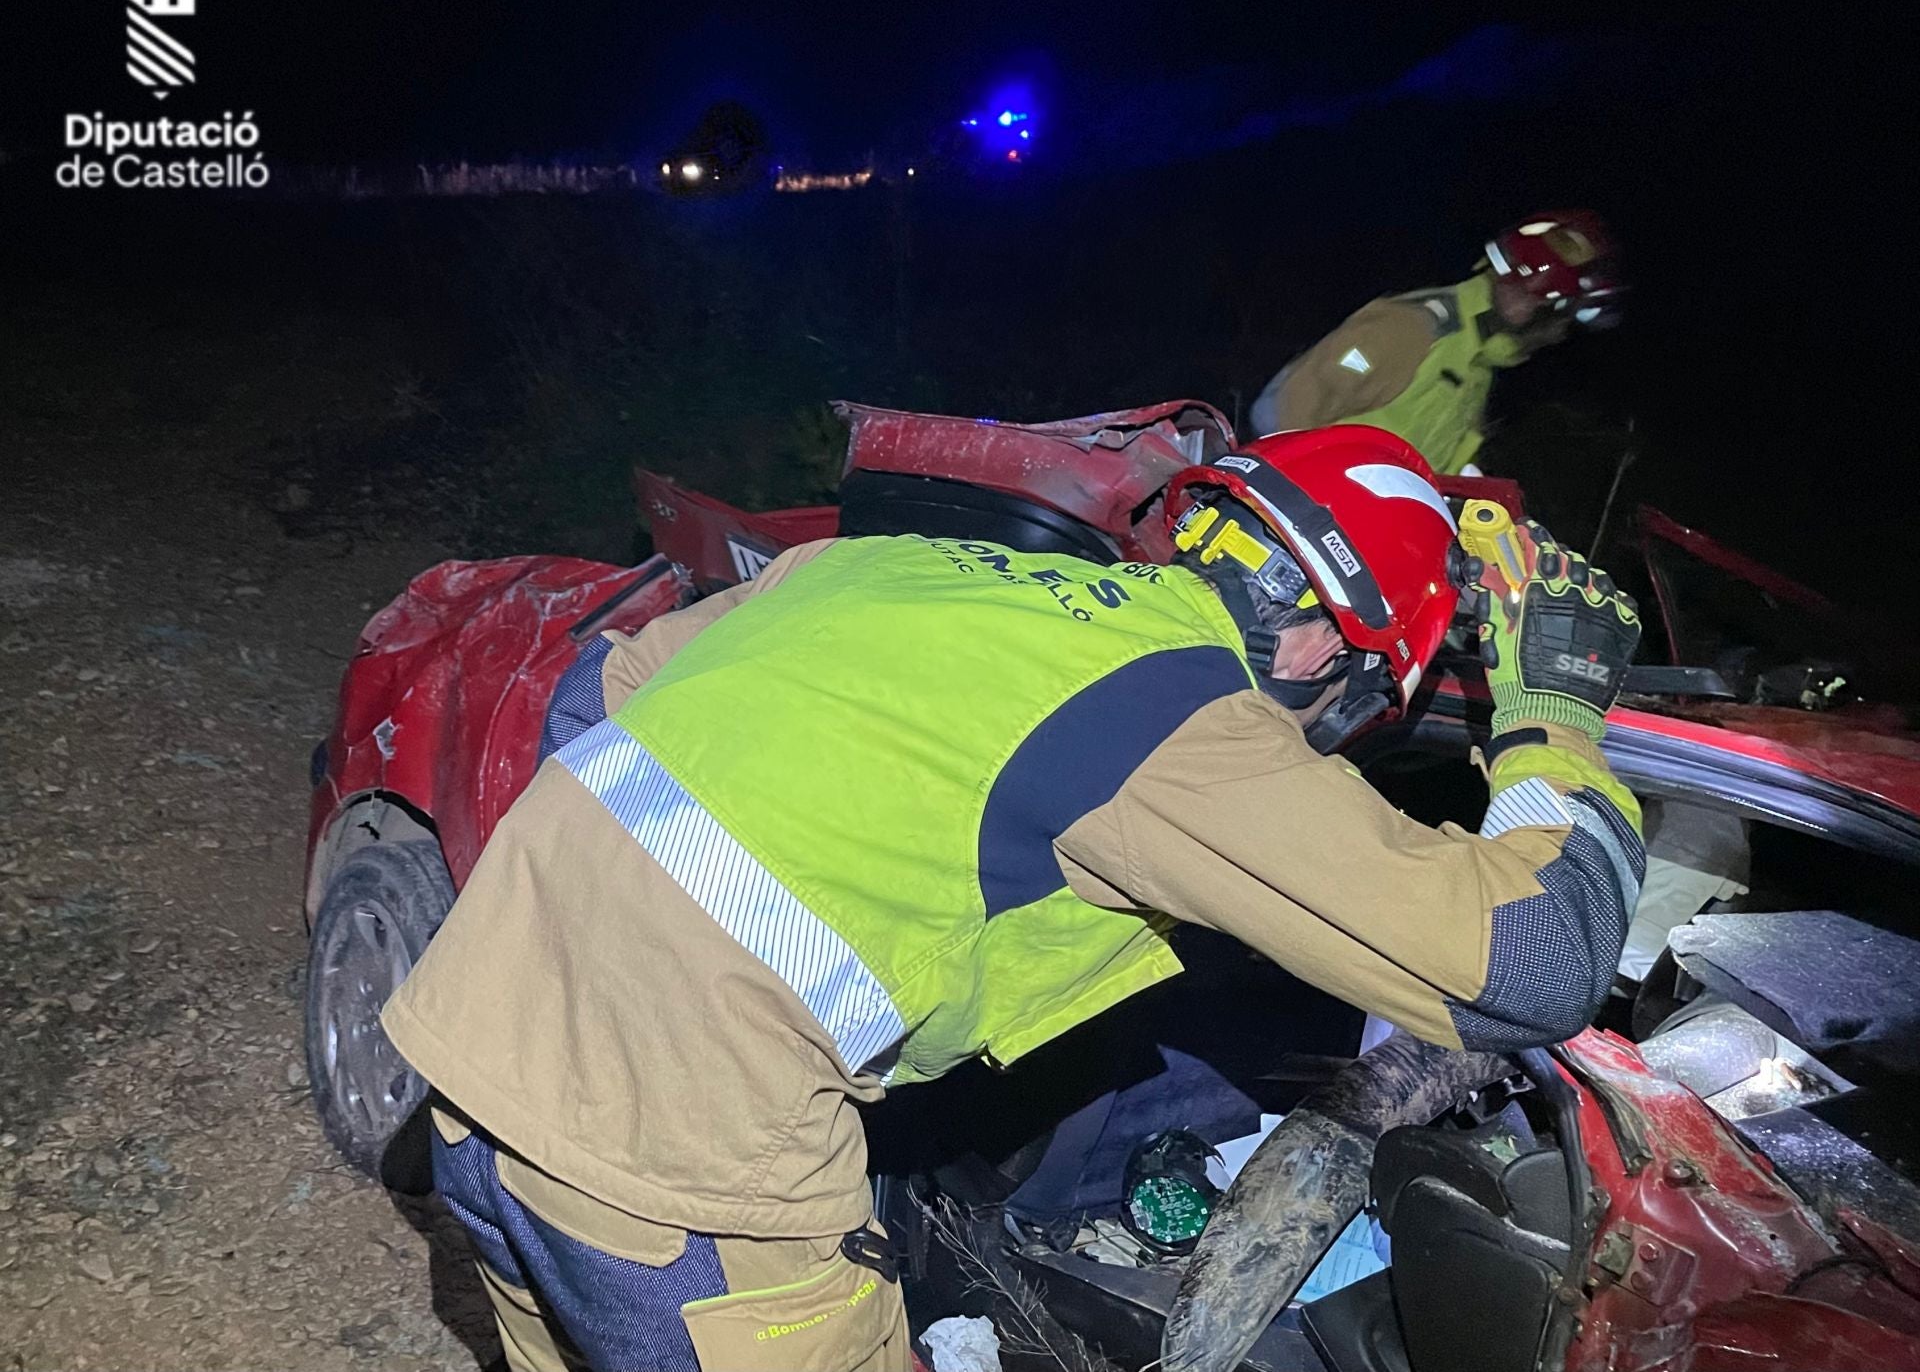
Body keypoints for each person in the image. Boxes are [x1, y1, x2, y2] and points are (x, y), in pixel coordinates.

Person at [380, 425, 1645, 1371]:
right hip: (671, 1179)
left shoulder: (907, 570)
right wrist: (1555, 723)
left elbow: (593, 698)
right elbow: (1532, 962)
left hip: (473, 1056)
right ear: (1326, 646)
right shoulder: (1187, 723)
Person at [1248, 211, 1627, 474]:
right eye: (1514, 281)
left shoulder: (1475, 368)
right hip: (1300, 528)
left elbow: (1435, 473)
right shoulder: (1417, 329)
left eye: (1536, 299)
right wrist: (1291, 497)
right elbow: (1286, 404)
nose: (1520, 296)